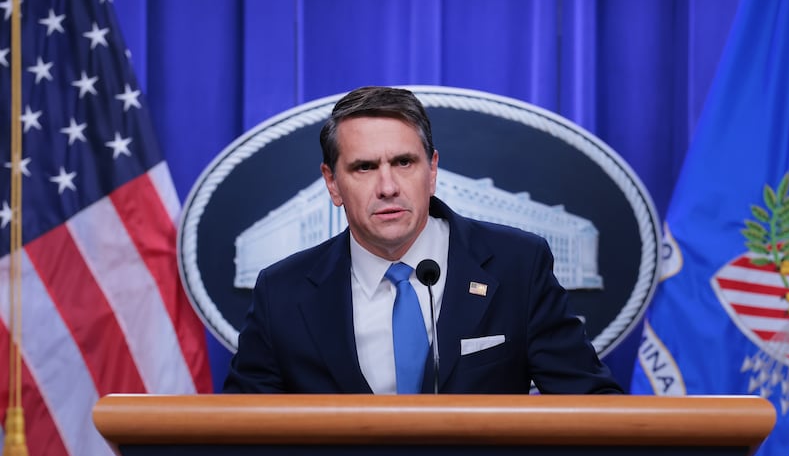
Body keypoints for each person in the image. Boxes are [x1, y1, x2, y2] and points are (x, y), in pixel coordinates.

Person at [223, 86, 623, 395]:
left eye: (403, 162)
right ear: (333, 183)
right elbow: (239, 432)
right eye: (364, 167)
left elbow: (591, 404)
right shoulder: (283, 292)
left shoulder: (518, 265)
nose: (387, 186)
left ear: (431, 170)